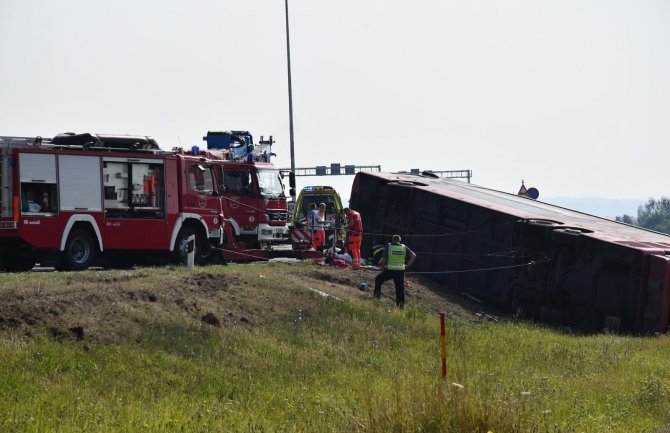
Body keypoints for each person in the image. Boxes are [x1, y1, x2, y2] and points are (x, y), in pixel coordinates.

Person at [374, 235, 416, 308]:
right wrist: (406, 266)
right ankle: (400, 306)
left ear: (392, 240)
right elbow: (414, 256)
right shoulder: (404, 247)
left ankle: (376, 299)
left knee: (378, 279)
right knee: (400, 289)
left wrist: (383, 267)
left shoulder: (389, 246)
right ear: (399, 241)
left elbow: (383, 259)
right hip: (400, 271)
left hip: (390, 270)